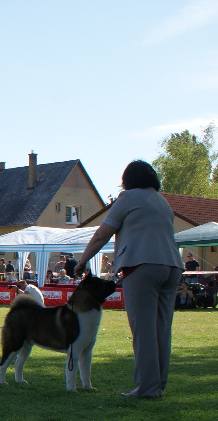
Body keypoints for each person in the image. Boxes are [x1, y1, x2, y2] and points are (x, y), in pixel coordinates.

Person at [74, 159, 183, 399]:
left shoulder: (128, 198)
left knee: (143, 331)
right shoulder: (162, 202)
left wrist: (82, 261)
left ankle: (147, 388)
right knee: (162, 329)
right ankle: (158, 385)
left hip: (142, 266)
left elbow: (102, 234)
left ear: (127, 180)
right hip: (172, 266)